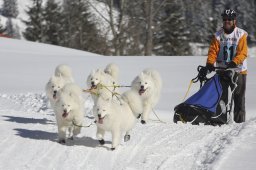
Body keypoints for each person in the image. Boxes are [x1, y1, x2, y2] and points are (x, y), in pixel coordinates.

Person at [201, 8, 248, 123]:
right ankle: (219, 120)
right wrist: (210, 63)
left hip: (238, 71)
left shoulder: (240, 34)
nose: (227, 21)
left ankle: (239, 123)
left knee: (238, 98)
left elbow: (243, 53)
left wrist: (234, 62)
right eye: (225, 19)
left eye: (229, 19)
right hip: (222, 70)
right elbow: (213, 51)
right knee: (220, 96)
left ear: (234, 21)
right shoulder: (218, 35)